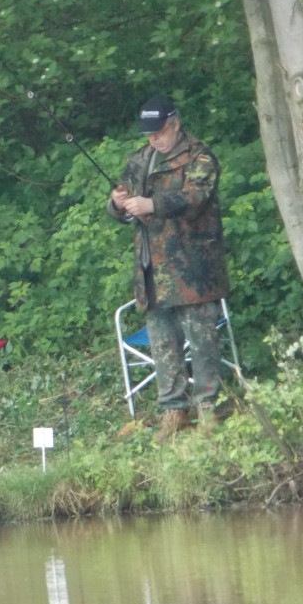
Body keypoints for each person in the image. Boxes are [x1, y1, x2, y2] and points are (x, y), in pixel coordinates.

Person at [107, 94, 230, 439]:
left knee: (202, 339)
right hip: (152, 269)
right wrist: (118, 204)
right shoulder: (139, 160)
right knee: (163, 341)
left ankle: (208, 409)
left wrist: (152, 204)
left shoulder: (200, 157)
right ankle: (173, 410)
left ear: (175, 124)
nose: (154, 139)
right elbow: (121, 208)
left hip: (194, 267)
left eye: (159, 132)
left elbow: (195, 198)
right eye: (149, 134)